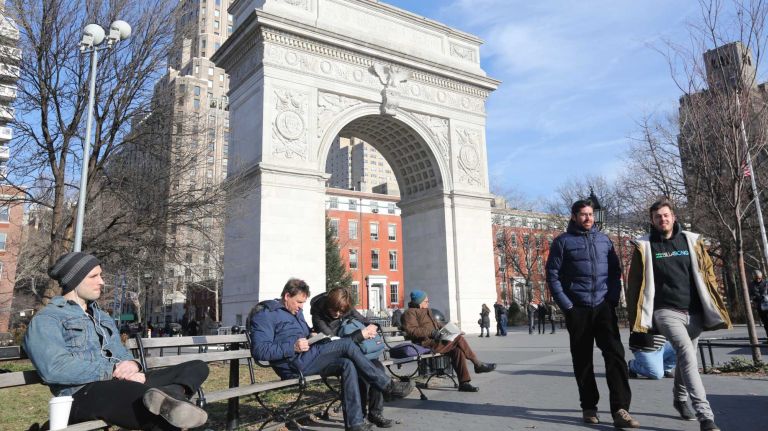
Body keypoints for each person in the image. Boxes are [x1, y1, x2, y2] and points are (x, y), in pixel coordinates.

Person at [24, 252, 210, 431]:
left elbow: (121, 354)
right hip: (83, 394)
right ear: (74, 280)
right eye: (94, 276)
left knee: (197, 367)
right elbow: (54, 368)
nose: (102, 282)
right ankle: (169, 401)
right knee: (159, 418)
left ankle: (170, 396)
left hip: (121, 383)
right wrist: (112, 371)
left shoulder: (102, 317)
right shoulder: (47, 319)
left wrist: (132, 364)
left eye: (101, 275)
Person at [249, 278, 412, 431]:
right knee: (347, 344)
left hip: (307, 357)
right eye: (299, 302)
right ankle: (388, 387)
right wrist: (292, 347)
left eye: (303, 303)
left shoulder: (295, 313)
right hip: (293, 365)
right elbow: (259, 351)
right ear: (286, 296)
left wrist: (311, 336)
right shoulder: (265, 314)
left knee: (346, 364)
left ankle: (355, 423)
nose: (301, 307)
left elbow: (303, 334)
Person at [626, 198, 731, 431]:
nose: (662, 219)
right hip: (665, 312)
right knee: (686, 353)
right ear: (652, 221)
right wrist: (637, 321)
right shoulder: (644, 246)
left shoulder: (691, 241)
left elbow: (707, 274)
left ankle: (679, 398)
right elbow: (634, 285)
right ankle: (706, 416)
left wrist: (714, 303)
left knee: (687, 357)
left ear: (673, 217)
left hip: (694, 313)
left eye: (665, 215)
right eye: (657, 216)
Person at [546, 199, 639, 428]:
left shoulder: (604, 240)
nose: (588, 218)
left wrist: (612, 298)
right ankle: (589, 407)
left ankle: (620, 409)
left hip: (603, 307)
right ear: (574, 217)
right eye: (583, 214)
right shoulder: (562, 242)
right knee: (582, 360)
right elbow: (553, 276)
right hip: (577, 308)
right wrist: (567, 306)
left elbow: (615, 271)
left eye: (590, 214)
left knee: (616, 356)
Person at [310, 287, 394, 428]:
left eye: (342, 311)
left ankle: (375, 413)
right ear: (328, 305)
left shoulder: (346, 306)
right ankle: (359, 417)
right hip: (340, 355)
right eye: (334, 310)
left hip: (359, 350)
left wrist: (373, 327)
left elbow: (364, 320)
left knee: (378, 368)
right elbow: (334, 343)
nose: (337, 314)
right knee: (358, 371)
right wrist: (360, 335)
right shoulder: (318, 314)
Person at [401, 290, 496, 392]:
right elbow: (412, 330)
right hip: (425, 344)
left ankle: (464, 383)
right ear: (419, 303)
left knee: (457, 350)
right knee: (458, 339)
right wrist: (432, 333)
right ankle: (477, 364)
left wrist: (454, 331)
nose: (428, 303)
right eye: (426, 301)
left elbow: (437, 324)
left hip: (436, 341)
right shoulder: (409, 313)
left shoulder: (427, 310)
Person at [750, 270, 768, 339]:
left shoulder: (766, 283)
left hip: (766, 303)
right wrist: (753, 300)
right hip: (759, 306)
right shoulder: (751, 285)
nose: (758, 280)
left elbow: (766, 292)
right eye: (756, 278)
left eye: (759, 278)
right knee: (765, 323)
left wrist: (764, 296)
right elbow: (751, 294)